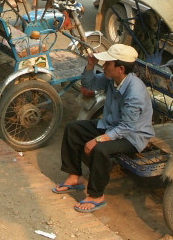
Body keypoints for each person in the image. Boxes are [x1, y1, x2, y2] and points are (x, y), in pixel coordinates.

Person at [53, 44, 154, 213]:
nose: (104, 66)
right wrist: (90, 65)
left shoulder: (134, 92)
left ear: (120, 68)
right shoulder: (112, 79)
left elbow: (127, 127)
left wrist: (98, 139)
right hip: (111, 126)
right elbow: (88, 83)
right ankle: (74, 176)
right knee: (73, 128)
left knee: (101, 149)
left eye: (108, 64)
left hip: (132, 136)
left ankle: (96, 196)